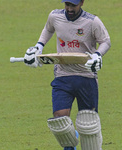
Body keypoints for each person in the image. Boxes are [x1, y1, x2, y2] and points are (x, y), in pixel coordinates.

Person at [24, 0, 111, 149]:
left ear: (82, 3)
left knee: (88, 124)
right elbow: (48, 29)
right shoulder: (55, 16)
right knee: (60, 121)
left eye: (73, 5)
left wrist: (98, 54)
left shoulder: (92, 21)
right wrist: (39, 46)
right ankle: (70, 144)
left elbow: (106, 41)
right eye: (67, 5)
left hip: (86, 77)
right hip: (62, 76)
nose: (70, 9)